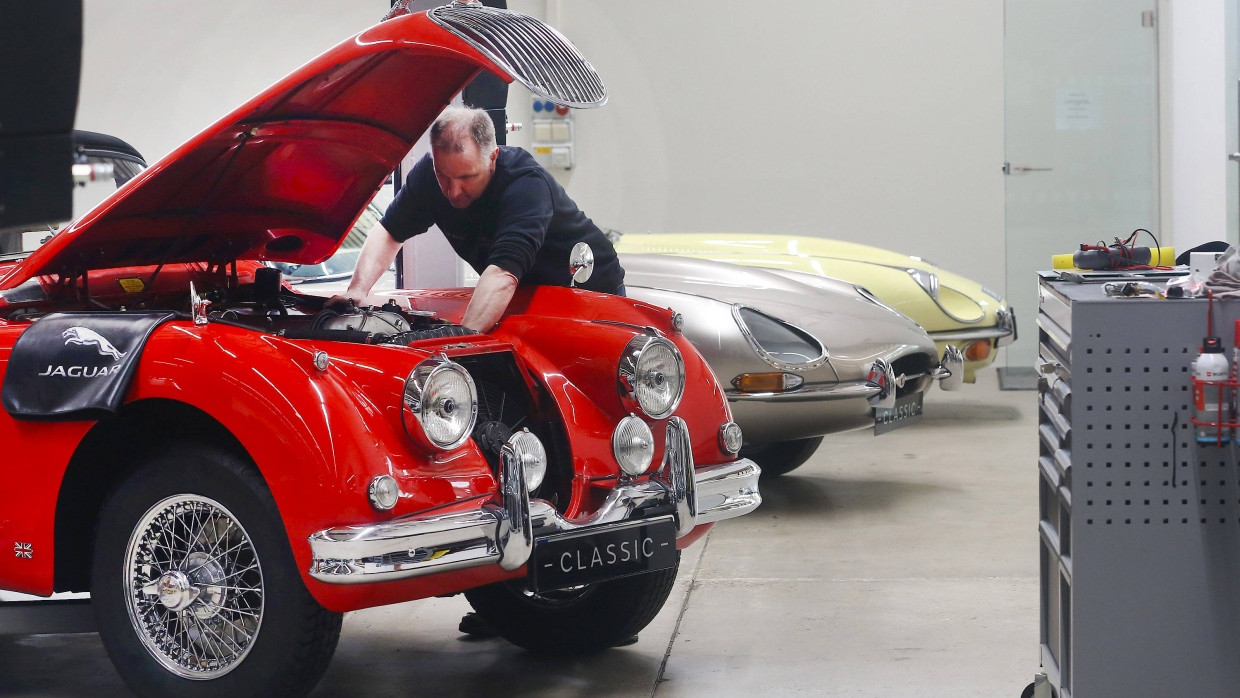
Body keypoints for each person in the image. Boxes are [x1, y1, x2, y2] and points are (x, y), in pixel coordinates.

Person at [333, 106, 625, 331]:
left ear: (493, 157)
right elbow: (389, 231)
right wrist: (357, 292)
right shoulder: (427, 177)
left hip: (592, 293)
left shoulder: (525, 185)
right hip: (523, 296)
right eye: (443, 176)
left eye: (467, 177)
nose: (454, 191)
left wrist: (459, 341)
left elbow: (501, 276)